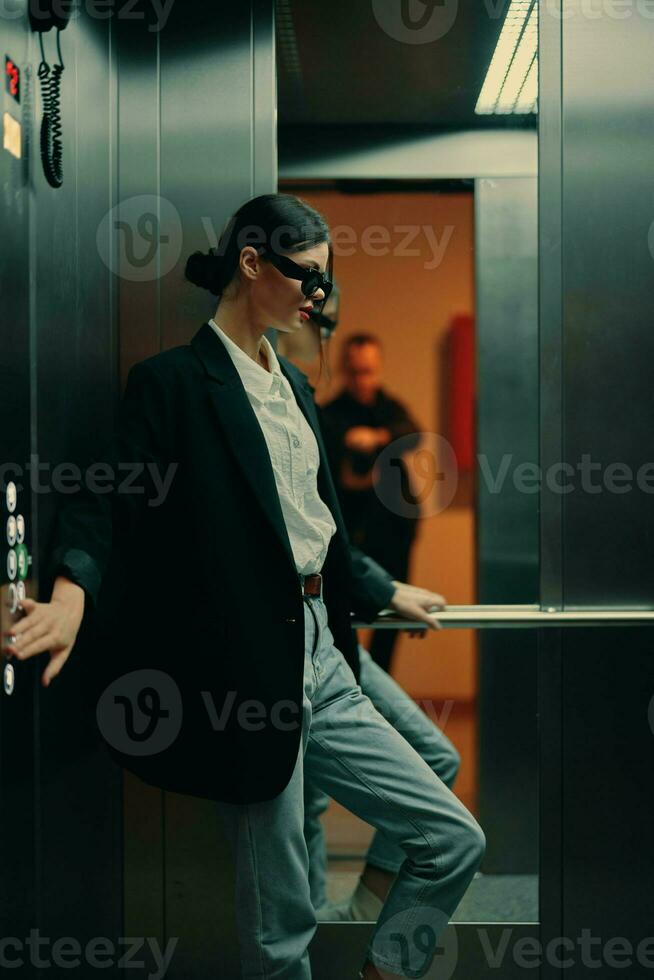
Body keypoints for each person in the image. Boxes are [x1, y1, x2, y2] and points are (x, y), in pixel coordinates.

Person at [3, 193, 485, 980]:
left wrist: (382, 585)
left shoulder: (295, 388)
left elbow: (316, 523)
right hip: (245, 673)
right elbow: (105, 501)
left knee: (454, 838)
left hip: (324, 652)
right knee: (281, 927)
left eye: (324, 284)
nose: (317, 298)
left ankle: (385, 965)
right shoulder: (173, 384)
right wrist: (68, 596)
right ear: (253, 264)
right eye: (307, 279)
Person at [278, 290, 465, 924]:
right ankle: (323, 925)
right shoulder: (317, 409)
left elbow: (410, 439)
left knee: (434, 760)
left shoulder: (338, 402)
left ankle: (358, 914)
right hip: (311, 614)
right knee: (302, 801)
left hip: (354, 589)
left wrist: (385, 587)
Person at [321, 334, 422, 674]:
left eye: (369, 371)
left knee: (393, 611)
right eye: (356, 372)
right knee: (342, 613)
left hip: (393, 528)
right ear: (344, 372)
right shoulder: (331, 414)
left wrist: (379, 437)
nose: (363, 380)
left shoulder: (388, 409)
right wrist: (346, 439)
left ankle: (381, 688)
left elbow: (415, 432)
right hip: (350, 532)